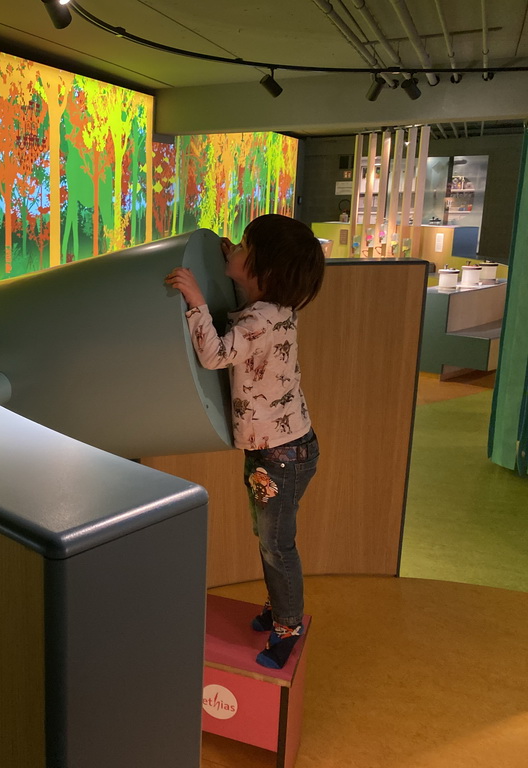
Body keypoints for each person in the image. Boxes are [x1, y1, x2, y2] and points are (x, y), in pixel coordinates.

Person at [164, 215, 325, 669]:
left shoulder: (258, 318)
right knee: (269, 536)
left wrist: (195, 299)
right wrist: (230, 260)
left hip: (278, 457)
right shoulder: (275, 309)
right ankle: (280, 609)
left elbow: (215, 353)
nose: (234, 248)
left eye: (244, 247)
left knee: (277, 544)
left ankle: (287, 626)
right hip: (283, 451)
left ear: (262, 270)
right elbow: (246, 309)